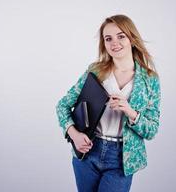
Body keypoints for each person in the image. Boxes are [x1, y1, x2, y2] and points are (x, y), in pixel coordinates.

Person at [56, 14, 161, 192]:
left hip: (122, 158)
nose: (115, 43)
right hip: (89, 151)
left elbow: (151, 130)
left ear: (132, 39)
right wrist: (73, 134)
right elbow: (63, 105)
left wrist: (130, 111)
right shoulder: (96, 71)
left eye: (121, 36)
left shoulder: (149, 79)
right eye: (108, 38)